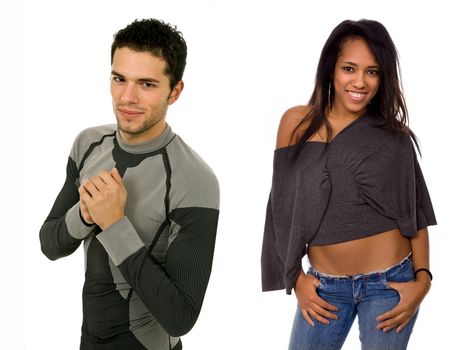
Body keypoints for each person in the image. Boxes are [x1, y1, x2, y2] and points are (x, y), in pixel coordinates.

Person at [40, 19, 220, 350]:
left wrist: (114, 224)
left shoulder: (195, 180)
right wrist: (85, 214)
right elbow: (49, 243)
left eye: (147, 84)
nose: (127, 97)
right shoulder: (88, 144)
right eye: (119, 79)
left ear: (175, 91)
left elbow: (181, 317)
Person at [261, 19, 436, 349]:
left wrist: (422, 282)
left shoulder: (393, 137)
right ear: (331, 70)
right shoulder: (295, 123)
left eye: (372, 71)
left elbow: (415, 217)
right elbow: (281, 209)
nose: (360, 81)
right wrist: (295, 278)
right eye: (349, 68)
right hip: (325, 289)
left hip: (391, 285)